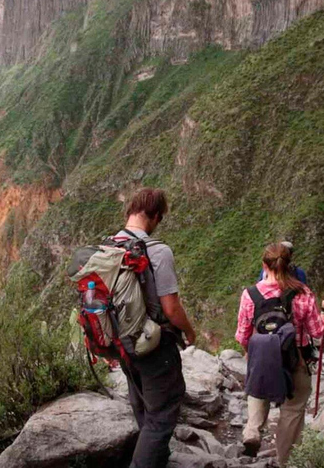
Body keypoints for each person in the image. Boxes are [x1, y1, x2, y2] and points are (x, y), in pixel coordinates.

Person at [115, 188, 198, 468]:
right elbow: (171, 308)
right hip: (154, 345)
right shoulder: (158, 251)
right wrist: (189, 331)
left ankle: (156, 460)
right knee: (161, 415)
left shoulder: (108, 247)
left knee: (142, 406)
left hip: (122, 344)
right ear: (156, 216)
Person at [236, 242, 324, 466]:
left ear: (264, 265)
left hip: (262, 356)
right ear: (289, 266)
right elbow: (318, 331)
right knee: (293, 410)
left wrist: (251, 356)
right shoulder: (303, 293)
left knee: (259, 385)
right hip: (295, 359)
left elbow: (242, 335)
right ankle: (285, 460)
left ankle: (253, 429)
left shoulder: (250, 295)